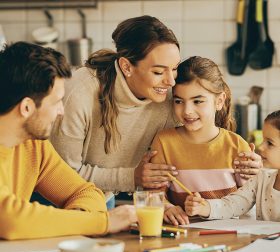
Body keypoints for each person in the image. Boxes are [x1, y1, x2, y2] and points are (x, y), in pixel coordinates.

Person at [50, 16, 260, 200]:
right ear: (126, 66)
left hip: (102, 198)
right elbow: (60, 175)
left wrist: (248, 165)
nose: (170, 82)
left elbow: (196, 148)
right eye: (159, 72)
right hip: (54, 198)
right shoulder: (79, 92)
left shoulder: (172, 98)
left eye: (175, 69)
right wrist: (132, 177)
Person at [0, 41, 136, 240]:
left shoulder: (34, 145)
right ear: (27, 107)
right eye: (56, 102)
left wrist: (80, 220)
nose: (61, 112)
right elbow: (10, 220)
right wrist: (104, 222)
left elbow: (86, 192)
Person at [150, 56, 262, 226]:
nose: (187, 111)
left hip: (229, 235)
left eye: (197, 101)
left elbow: (249, 201)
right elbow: (153, 194)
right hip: (182, 235)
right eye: (179, 101)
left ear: (219, 101)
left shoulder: (237, 145)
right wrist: (166, 207)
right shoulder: (164, 142)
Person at [185, 110, 280, 221]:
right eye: (263, 140)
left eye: (270, 143)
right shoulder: (261, 177)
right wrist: (204, 207)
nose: (261, 147)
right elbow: (234, 204)